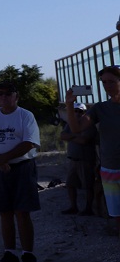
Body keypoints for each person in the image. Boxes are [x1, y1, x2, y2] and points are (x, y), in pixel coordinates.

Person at [0, 81, 42, 262]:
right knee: (4, 212)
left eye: (8, 93)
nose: (4, 97)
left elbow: (28, 142)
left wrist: (4, 158)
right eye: (0, 93)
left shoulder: (25, 116)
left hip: (22, 168)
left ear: (16, 96)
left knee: (22, 212)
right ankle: (10, 252)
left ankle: (28, 253)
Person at [65, 65, 120, 237]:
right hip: (110, 168)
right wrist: (69, 105)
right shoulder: (100, 108)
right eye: (104, 82)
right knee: (116, 213)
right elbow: (76, 128)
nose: (108, 86)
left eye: (112, 81)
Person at [58, 102, 97, 215]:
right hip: (73, 159)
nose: (78, 113)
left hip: (85, 160)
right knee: (70, 184)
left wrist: (70, 137)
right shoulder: (70, 124)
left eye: (81, 111)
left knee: (88, 185)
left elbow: (84, 140)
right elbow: (62, 136)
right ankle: (73, 206)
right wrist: (76, 136)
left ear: (84, 113)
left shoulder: (89, 124)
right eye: (76, 111)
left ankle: (88, 208)